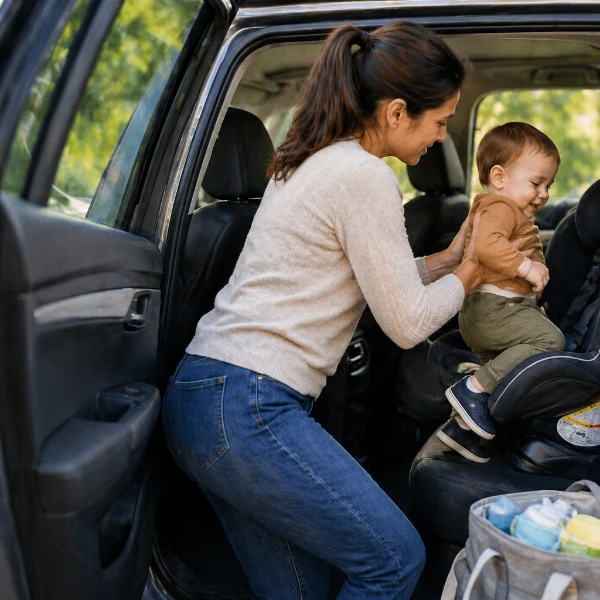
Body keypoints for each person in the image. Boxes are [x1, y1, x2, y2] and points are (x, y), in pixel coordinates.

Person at [162, 21, 498, 600]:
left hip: (208, 399)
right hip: (248, 406)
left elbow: (384, 280)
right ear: (397, 112)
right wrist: (475, 272)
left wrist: (451, 260)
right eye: (440, 121)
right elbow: (408, 323)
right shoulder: (363, 176)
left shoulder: (315, 160)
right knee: (394, 560)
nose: (442, 137)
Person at [438, 122, 565, 464]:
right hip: (493, 309)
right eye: (536, 183)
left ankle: (461, 430)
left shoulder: (498, 208)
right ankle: (470, 389)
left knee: (503, 378)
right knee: (550, 341)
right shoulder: (500, 207)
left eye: (549, 185)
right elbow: (487, 246)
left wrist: (530, 302)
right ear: (499, 177)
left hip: (493, 310)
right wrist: (527, 268)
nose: (544, 194)